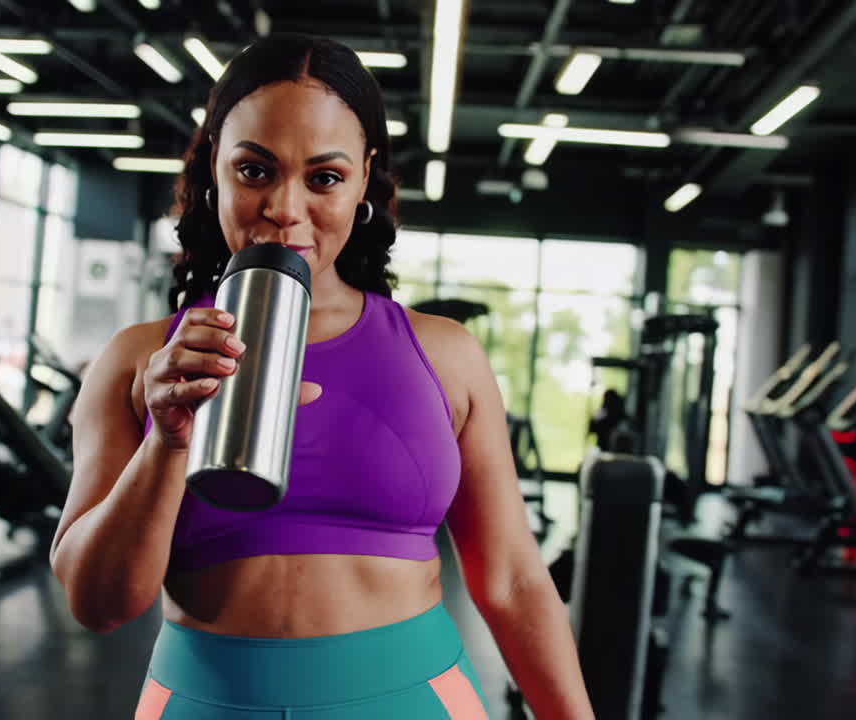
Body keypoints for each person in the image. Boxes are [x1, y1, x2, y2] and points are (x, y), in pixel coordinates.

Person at [50, 34, 594, 719]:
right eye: (255, 170)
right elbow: (99, 605)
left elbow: (514, 581)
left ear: (363, 178)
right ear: (214, 162)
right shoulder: (138, 362)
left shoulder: (445, 354)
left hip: (414, 702)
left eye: (324, 178)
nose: (286, 207)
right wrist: (168, 440)